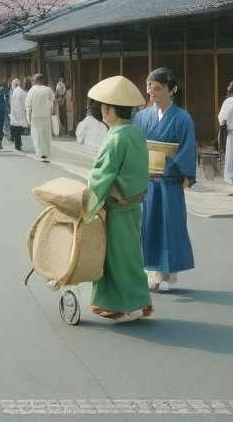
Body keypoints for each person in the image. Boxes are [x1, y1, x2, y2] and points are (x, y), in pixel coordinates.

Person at [83, 75, 156, 323]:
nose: (103, 112)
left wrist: (88, 204)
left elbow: (102, 175)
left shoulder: (115, 137)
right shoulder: (134, 133)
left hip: (117, 205)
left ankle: (131, 304)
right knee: (128, 253)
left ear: (109, 110)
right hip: (133, 202)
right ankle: (119, 302)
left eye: (105, 109)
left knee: (117, 256)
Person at [134, 67, 196, 293]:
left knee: (170, 224)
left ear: (173, 90)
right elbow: (136, 147)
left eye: (158, 88)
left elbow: (187, 148)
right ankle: (152, 270)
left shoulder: (182, 118)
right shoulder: (141, 117)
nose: (152, 92)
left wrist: (185, 174)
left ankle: (167, 271)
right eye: (149, 87)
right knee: (149, 223)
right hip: (147, 180)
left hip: (170, 180)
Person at [26, 73, 55, 162]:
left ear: (36, 81)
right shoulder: (48, 90)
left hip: (35, 116)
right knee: (45, 134)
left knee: (36, 134)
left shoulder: (32, 90)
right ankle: (45, 152)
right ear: (42, 81)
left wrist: (28, 116)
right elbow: (53, 100)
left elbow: (28, 104)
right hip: (45, 115)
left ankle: (39, 153)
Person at [9, 78, 29, 151]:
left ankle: (17, 145)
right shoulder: (21, 91)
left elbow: (16, 103)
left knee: (17, 131)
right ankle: (18, 144)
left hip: (17, 113)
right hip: (19, 113)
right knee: (18, 130)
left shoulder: (16, 91)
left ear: (14, 85)